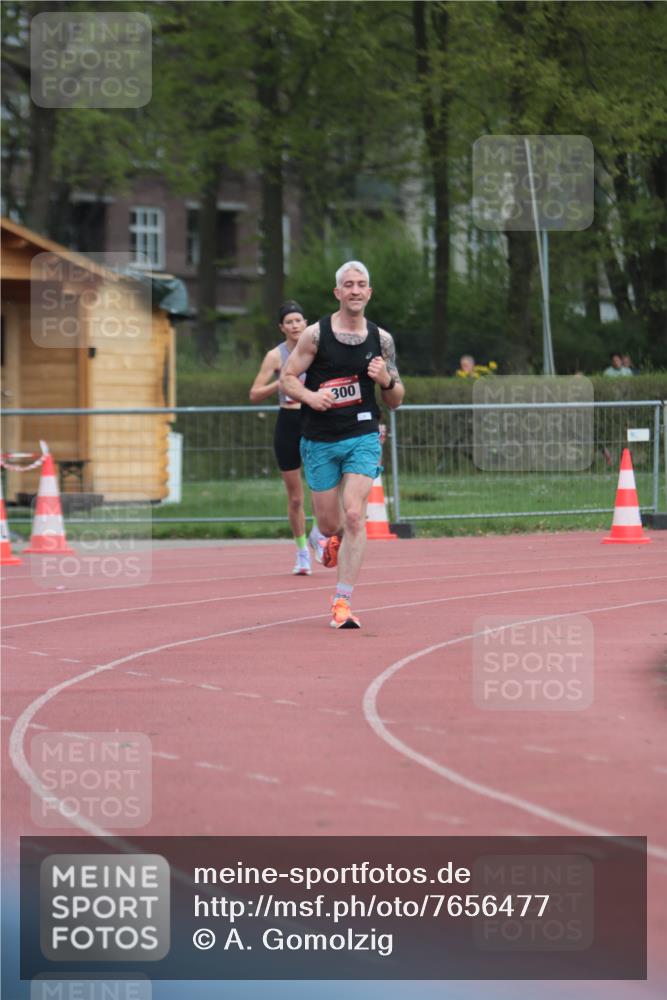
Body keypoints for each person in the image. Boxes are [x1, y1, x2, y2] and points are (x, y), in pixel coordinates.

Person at [281, 261, 405, 629]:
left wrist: (385, 380)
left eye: (361, 284)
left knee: (354, 515)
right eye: (348, 284)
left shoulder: (381, 339)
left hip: (363, 435)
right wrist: (310, 396)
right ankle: (326, 539)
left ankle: (342, 601)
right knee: (331, 522)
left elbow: (397, 399)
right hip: (319, 440)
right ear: (338, 293)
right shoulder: (316, 335)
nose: (355, 290)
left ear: (369, 292)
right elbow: (288, 379)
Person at [249, 301, 323, 576]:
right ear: (282, 327)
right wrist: (278, 384)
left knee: (322, 487)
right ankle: (302, 551)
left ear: (306, 324)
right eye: (289, 322)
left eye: (298, 320)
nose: (294, 325)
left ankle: (319, 533)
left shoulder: (316, 350)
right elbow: (254, 394)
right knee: (295, 498)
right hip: (288, 421)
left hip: (314, 419)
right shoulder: (275, 356)